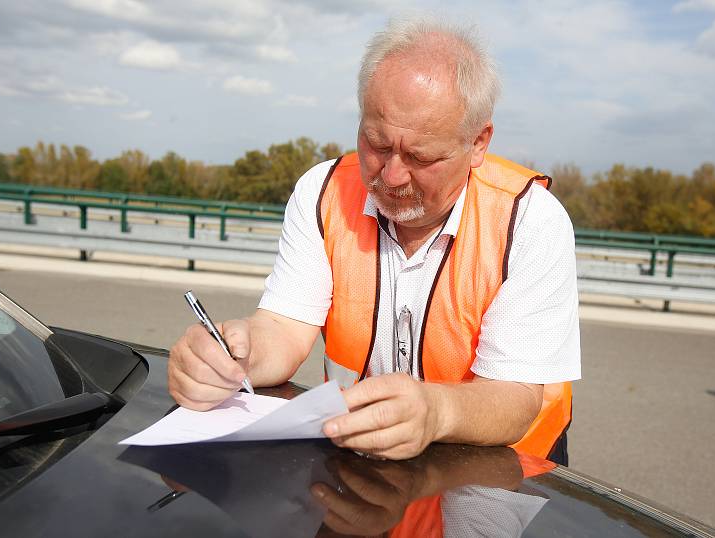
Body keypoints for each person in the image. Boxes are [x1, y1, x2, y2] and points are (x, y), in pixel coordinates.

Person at [168, 16, 581, 461]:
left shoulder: (529, 220)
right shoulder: (322, 191)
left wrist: (435, 411)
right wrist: (232, 360)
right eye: (377, 144)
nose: (392, 175)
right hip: (367, 457)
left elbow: (515, 398)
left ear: (478, 143)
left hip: (502, 474)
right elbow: (285, 327)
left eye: (420, 156)